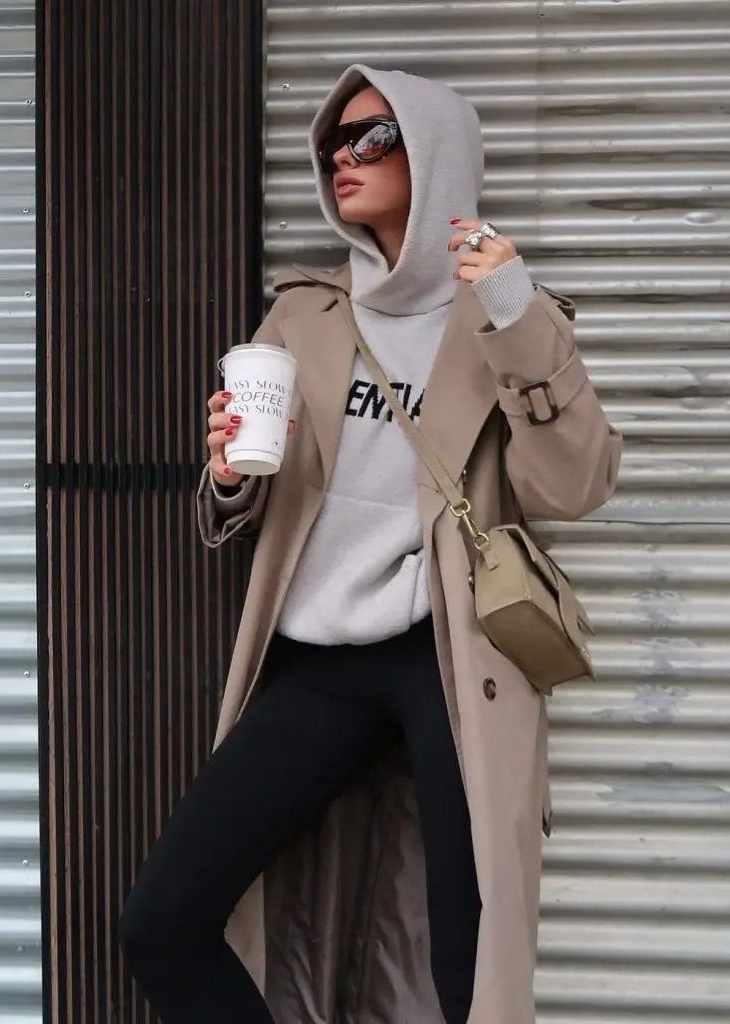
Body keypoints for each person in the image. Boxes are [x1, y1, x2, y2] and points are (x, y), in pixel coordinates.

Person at [119, 64, 621, 1024]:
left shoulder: (501, 318)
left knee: (469, 962)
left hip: (450, 654)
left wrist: (517, 313)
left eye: (373, 137)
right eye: (333, 143)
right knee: (163, 920)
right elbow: (254, 499)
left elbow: (575, 486)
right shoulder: (302, 315)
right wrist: (227, 475)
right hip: (317, 655)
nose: (344, 158)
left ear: (434, 154)